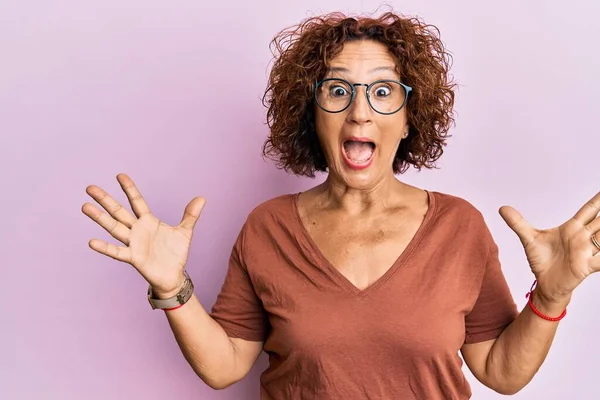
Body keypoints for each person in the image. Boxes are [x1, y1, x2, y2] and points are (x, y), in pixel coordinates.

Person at [81, 11, 600, 400]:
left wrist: (552, 295)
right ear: (312, 111)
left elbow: (501, 371)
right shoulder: (269, 227)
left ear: (408, 115)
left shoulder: (459, 227)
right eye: (337, 90)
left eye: (382, 92)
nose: (359, 113)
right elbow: (225, 366)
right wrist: (171, 288)